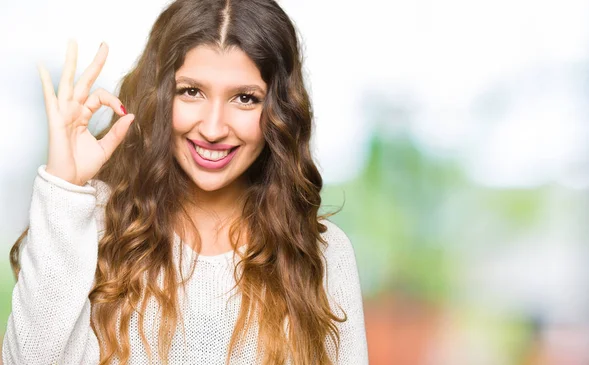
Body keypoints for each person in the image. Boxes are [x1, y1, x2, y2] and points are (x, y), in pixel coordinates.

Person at [2, 0, 368, 364]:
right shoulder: (91, 220)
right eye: (192, 91)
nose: (212, 128)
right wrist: (64, 188)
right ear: (159, 96)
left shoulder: (321, 254)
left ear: (278, 110)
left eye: (245, 98)